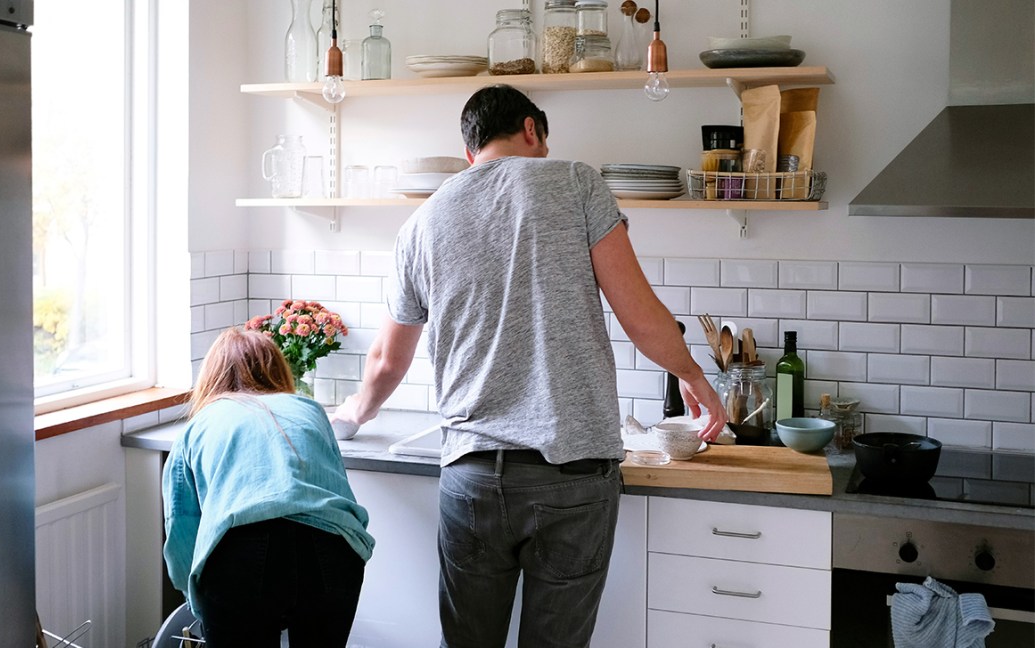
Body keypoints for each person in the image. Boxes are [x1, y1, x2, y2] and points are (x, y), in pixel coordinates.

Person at [331, 83, 727, 648]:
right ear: (531, 129)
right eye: (541, 142)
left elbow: (387, 362)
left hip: (472, 475)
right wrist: (693, 375)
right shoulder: (574, 182)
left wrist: (351, 414)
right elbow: (640, 316)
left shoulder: (422, 222)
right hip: (573, 475)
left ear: (470, 151)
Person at [162, 327, 375, 647]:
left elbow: (182, 527)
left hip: (239, 549)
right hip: (332, 544)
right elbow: (336, 486)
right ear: (276, 368)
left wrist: (198, 601)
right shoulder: (310, 410)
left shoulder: (198, 427)